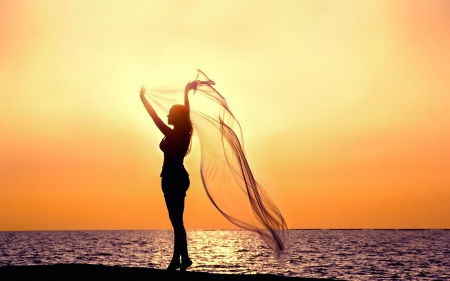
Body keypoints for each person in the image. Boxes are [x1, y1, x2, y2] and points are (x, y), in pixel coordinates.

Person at [139, 80, 198, 271]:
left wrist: (143, 98)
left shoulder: (175, 135)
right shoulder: (183, 133)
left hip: (173, 178)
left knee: (176, 221)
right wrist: (186, 93)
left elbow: (154, 117)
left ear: (177, 117)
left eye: (170, 114)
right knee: (177, 221)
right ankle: (184, 259)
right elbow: (185, 113)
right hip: (177, 177)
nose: (167, 115)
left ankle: (177, 260)